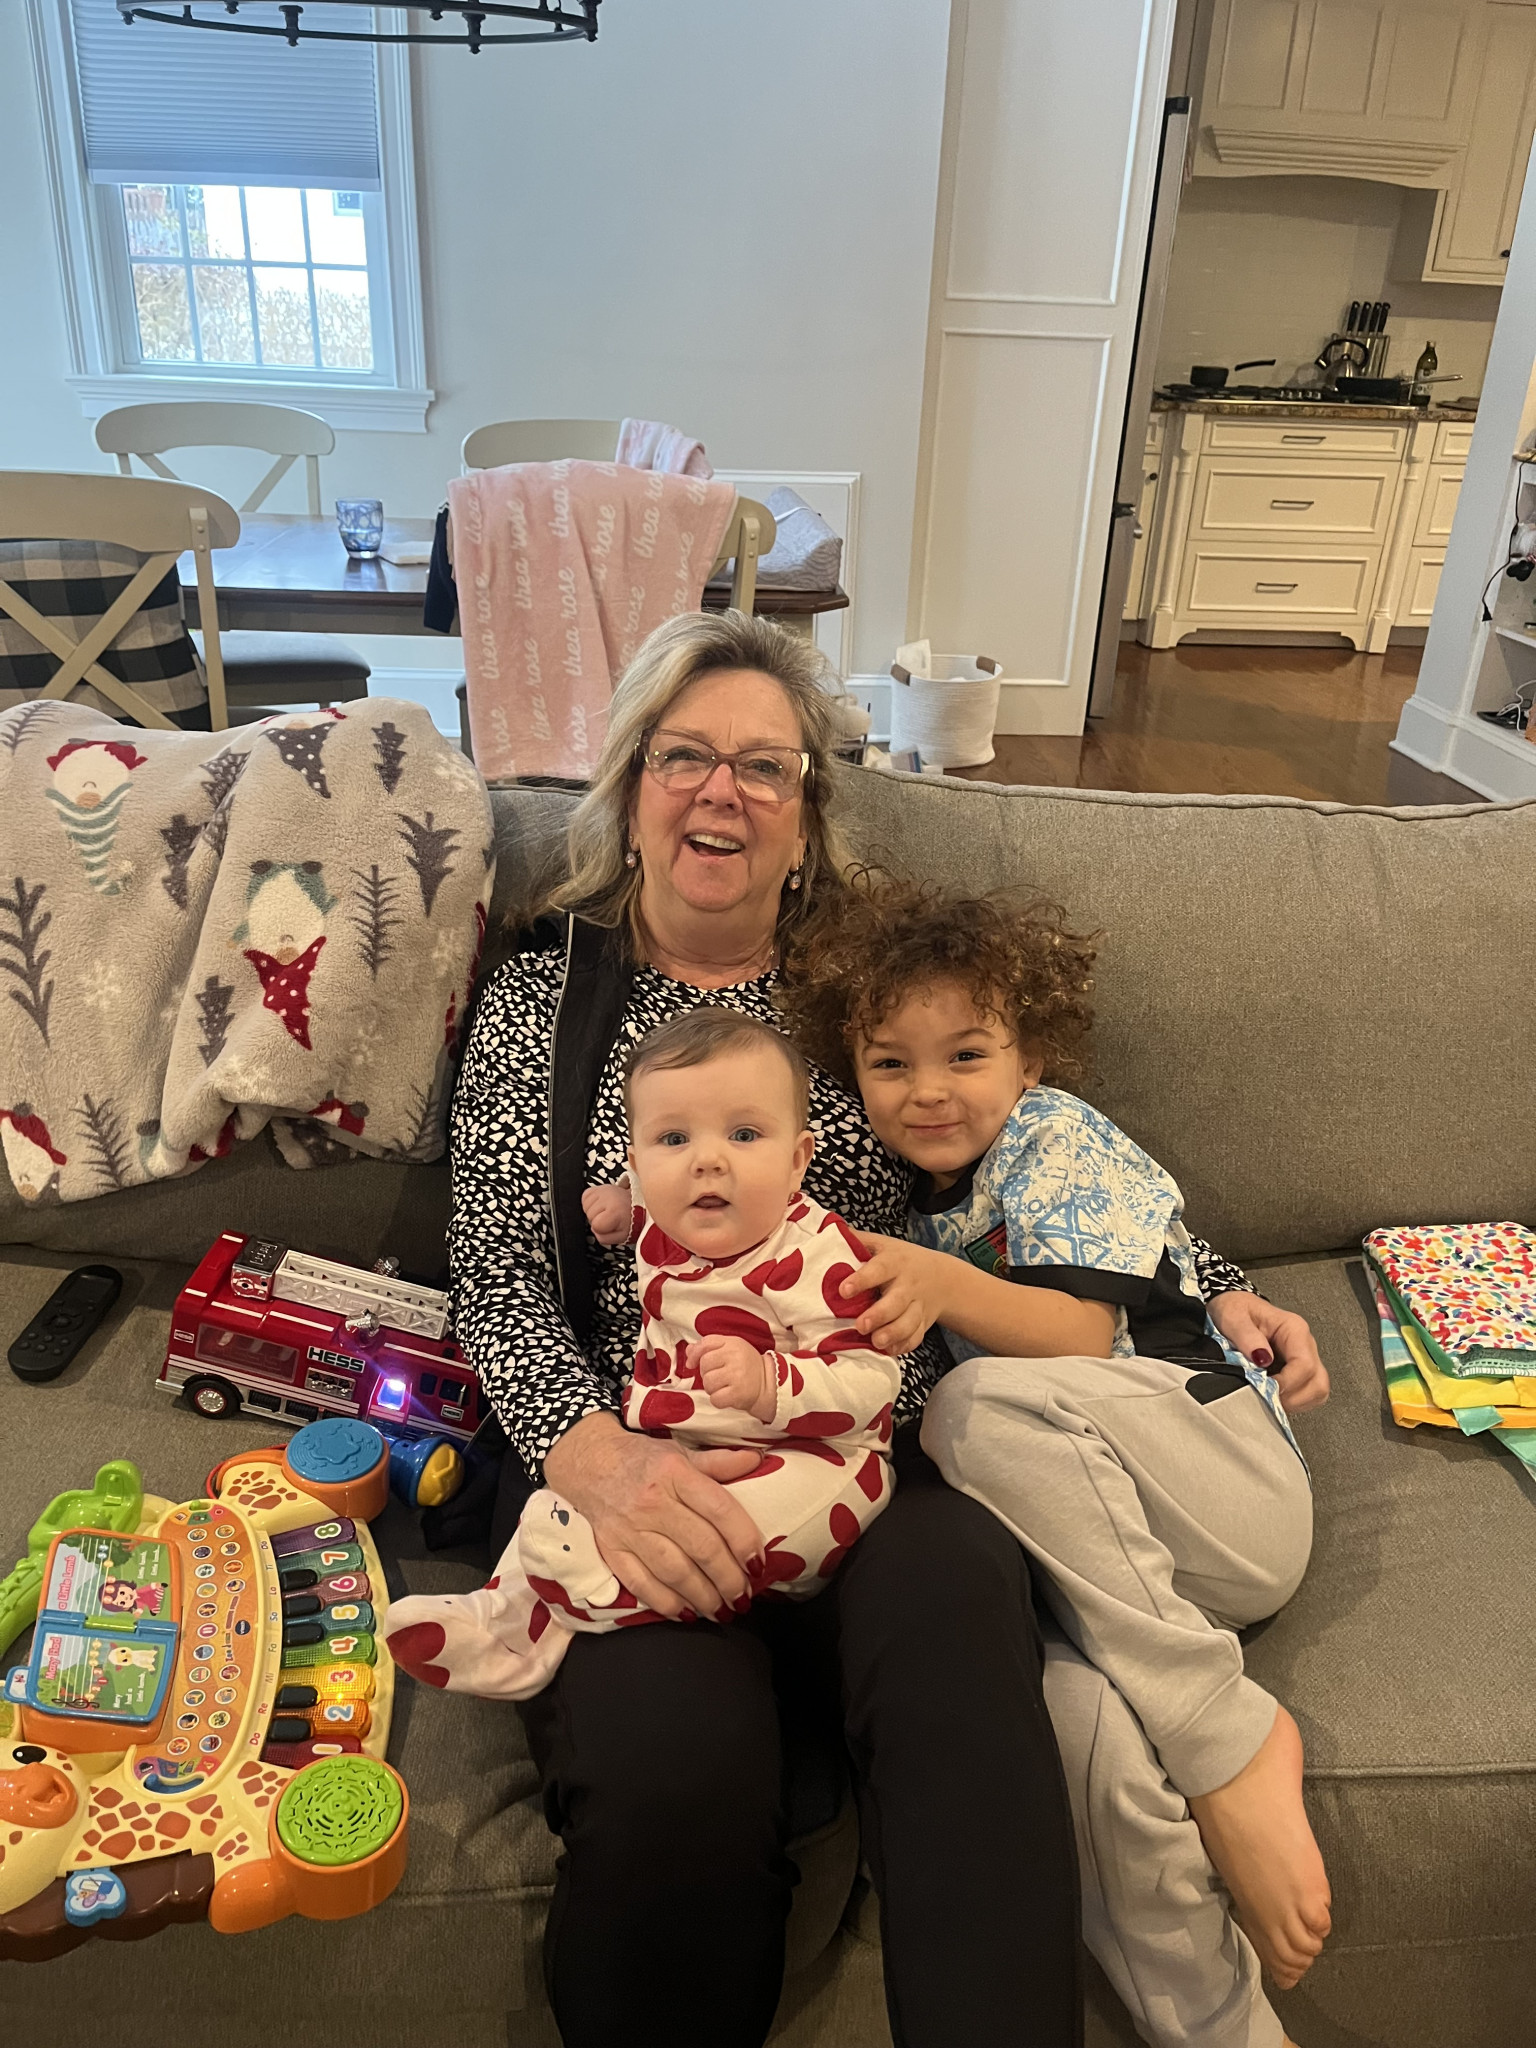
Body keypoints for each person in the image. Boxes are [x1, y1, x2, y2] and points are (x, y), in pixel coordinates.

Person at [448, 606, 1329, 2048]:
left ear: (807, 814)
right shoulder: (544, 998)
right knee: (675, 1774)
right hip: (645, 1449)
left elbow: (1027, 1150)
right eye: (684, 755)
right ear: (630, 782)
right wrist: (598, 1459)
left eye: (765, 766)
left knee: (967, 1663)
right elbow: (494, 1273)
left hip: (876, 1450)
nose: (723, 791)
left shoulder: (858, 985)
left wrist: (1210, 1277)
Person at [780, 880, 1331, 2047]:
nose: (929, 1090)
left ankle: (1227, 1735)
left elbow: (1082, 1332)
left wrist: (941, 1285)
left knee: (974, 1407)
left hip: (1225, 1479)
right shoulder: (920, 1204)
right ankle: (1225, 2026)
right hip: (1119, 1560)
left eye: (966, 1053)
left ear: (1028, 1057)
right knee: (1076, 1732)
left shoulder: (1055, 1133)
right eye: (890, 1063)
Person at [384, 1008, 900, 1696]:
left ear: (798, 1160)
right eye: (673, 1139)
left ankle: (583, 1601)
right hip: (677, 1443)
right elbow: (642, 1206)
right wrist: (626, 1209)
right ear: (636, 1159)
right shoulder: (669, 1215)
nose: (707, 1160)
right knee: (576, 1506)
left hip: (816, 1458)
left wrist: (772, 1381)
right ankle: (501, 1621)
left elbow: (871, 1379)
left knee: (733, 1531)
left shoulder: (816, 1256)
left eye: (745, 1134)